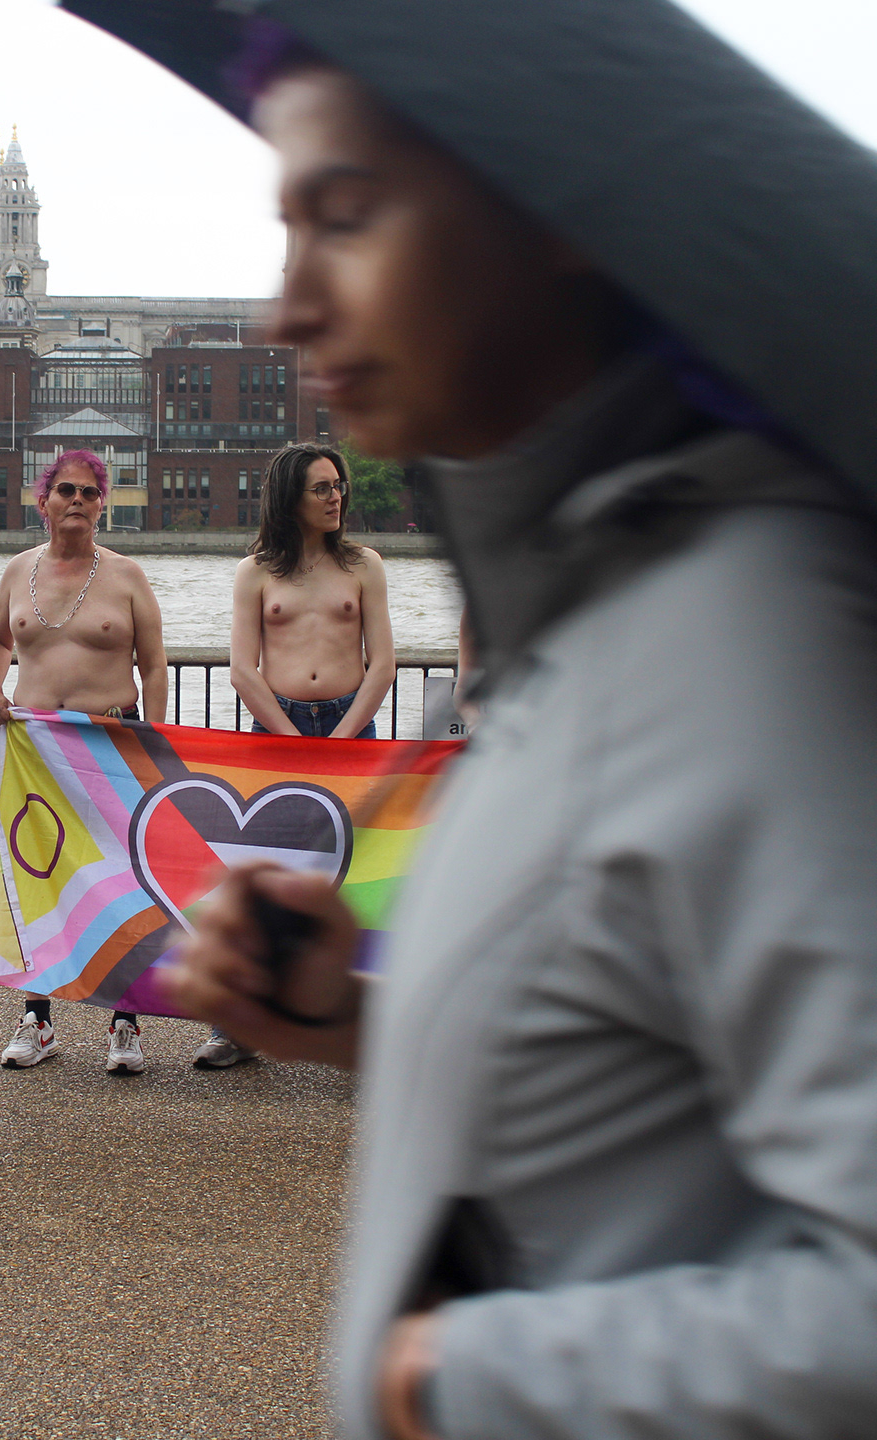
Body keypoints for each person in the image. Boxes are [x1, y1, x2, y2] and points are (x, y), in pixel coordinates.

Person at [137, 22, 877, 1440]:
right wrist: (359, 1014)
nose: (289, 305)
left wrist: (447, 1383)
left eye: (344, 214)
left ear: (558, 217)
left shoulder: (755, 630)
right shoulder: (597, 599)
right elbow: (650, 1076)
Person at [0, 449, 177, 1074]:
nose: (78, 502)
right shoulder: (18, 570)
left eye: (90, 494)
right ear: (43, 501)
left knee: (123, 881)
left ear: (103, 505)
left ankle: (125, 1019)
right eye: (66, 490)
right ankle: (37, 1018)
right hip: (36, 748)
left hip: (111, 746)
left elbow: (152, 661)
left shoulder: (125, 576)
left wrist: (155, 729)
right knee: (39, 879)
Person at [230, 442, 394, 740]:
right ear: (290, 498)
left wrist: (342, 737)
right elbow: (242, 670)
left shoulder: (364, 564)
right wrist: (290, 738)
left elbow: (383, 665)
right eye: (321, 489)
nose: (335, 498)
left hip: (351, 721)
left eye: (337, 487)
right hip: (276, 723)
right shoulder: (254, 571)